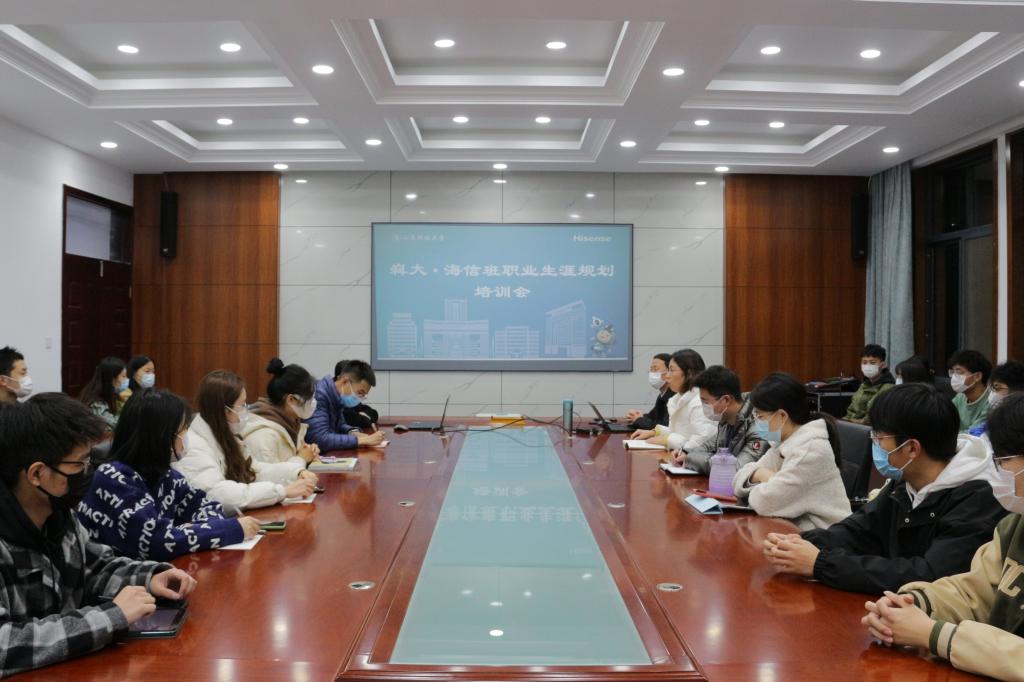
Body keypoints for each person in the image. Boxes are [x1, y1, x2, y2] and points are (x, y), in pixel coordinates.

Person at [0, 393, 197, 678]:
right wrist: (110, 617)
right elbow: (5, 644)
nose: (88, 472)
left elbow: (95, 566)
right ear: (37, 474)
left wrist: (150, 576)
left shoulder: (58, 515)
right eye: (79, 464)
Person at [762, 383, 1006, 594]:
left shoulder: (978, 499)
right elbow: (861, 529)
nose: (875, 443)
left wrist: (821, 563)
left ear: (912, 448)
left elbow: (928, 575)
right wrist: (799, 543)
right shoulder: (907, 480)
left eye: (879, 437)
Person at [862, 393, 1024, 681]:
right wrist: (915, 602)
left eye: (1005, 460)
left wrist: (937, 634)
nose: (999, 472)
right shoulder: (1014, 526)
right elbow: (974, 592)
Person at [78, 389, 260, 560]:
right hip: (121, 580)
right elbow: (156, 542)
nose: (186, 438)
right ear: (160, 436)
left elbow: (207, 505)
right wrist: (229, 529)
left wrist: (188, 532)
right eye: (182, 431)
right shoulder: (113, 478)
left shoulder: (164, 474)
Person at [175, 370, 317, 514]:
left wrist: (295, 472)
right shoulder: (194, 446)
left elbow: (254, 471)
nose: (246, 410)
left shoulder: (226, 435)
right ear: (224, 410)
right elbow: (218, 494)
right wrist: (281, 491)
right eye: (242, 405)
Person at [732, 373, 851, 530]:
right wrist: (761, 474)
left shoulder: (810, 451)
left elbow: (765, 503)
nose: (756, 421)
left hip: (823, 538)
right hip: (793, 530)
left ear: (782, 415)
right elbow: (738, 479)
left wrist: (764, 481)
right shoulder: (783, 442)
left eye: (760, 416)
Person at [672, 365, 767, 474]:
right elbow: (709, 446)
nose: (703, 406)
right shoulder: (725, 419)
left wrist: (690, 459)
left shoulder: (761, 424)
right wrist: (685, 452)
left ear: (726, 400)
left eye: (705, 401)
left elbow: (736, 468)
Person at [629, 349, 715, 451]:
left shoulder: (700, 403)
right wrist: (655, 432)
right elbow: (678, 432)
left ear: (689, 373)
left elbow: (703, 444)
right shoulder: (677, 399)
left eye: (671, 370)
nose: (667, 376)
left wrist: (667, 440)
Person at [240, 358, 320, 467]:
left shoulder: (291, 423)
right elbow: (270, 475)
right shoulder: (264, 436)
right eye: (308, 400)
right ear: (291, 399)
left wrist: (308, 454)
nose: (313, 403)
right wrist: (301, 458)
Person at [306, 359, 385, 451]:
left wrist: (352, 432)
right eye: (360, 393)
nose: (360, 398)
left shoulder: (336, 396)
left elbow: (340, 425)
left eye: (363, 395)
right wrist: (360, 440)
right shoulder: (319, 395)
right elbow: (319, 439)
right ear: (345, 381)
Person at [969, 359, 1024, 437]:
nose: (993, 394)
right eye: (991, 389)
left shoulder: (1018, 420)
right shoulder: (997, 417)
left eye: (997, 388)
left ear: (1017, 392)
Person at [844, 344, 896, 424]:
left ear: (883, 365)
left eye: (872, 363)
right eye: (864, 362)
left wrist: (850, 422)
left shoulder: (889, 387)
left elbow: (874, 417)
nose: (867, 366)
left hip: (871, 428)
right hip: (853, 426)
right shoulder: (864, 384)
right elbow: (852, 410)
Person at [79, 356, 132, 430]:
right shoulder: (95, 404)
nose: (127, 380)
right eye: (123, 376)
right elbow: (117, 425)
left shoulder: (114, 396)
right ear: (112, 379)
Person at [626, 353, 674, 430]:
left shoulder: (674, 396)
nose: (652, 373)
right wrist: (639, 416)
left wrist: (638, 420)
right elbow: (653, 417)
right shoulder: (662, 395)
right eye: (651, 370)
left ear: (669, 372)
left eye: (655, 369)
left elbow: (664, 426)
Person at [948, 349, 992, 433]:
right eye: (952, 372)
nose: (954, 377)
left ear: (977, 376)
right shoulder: (960, 397)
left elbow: (972, 434)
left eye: (959, 372)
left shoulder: (991, 401)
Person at [336, 360, 381, 432]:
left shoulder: (348, 398)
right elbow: (353, 420)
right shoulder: (329, 399)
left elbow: (373, 413)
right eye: (360, 392)